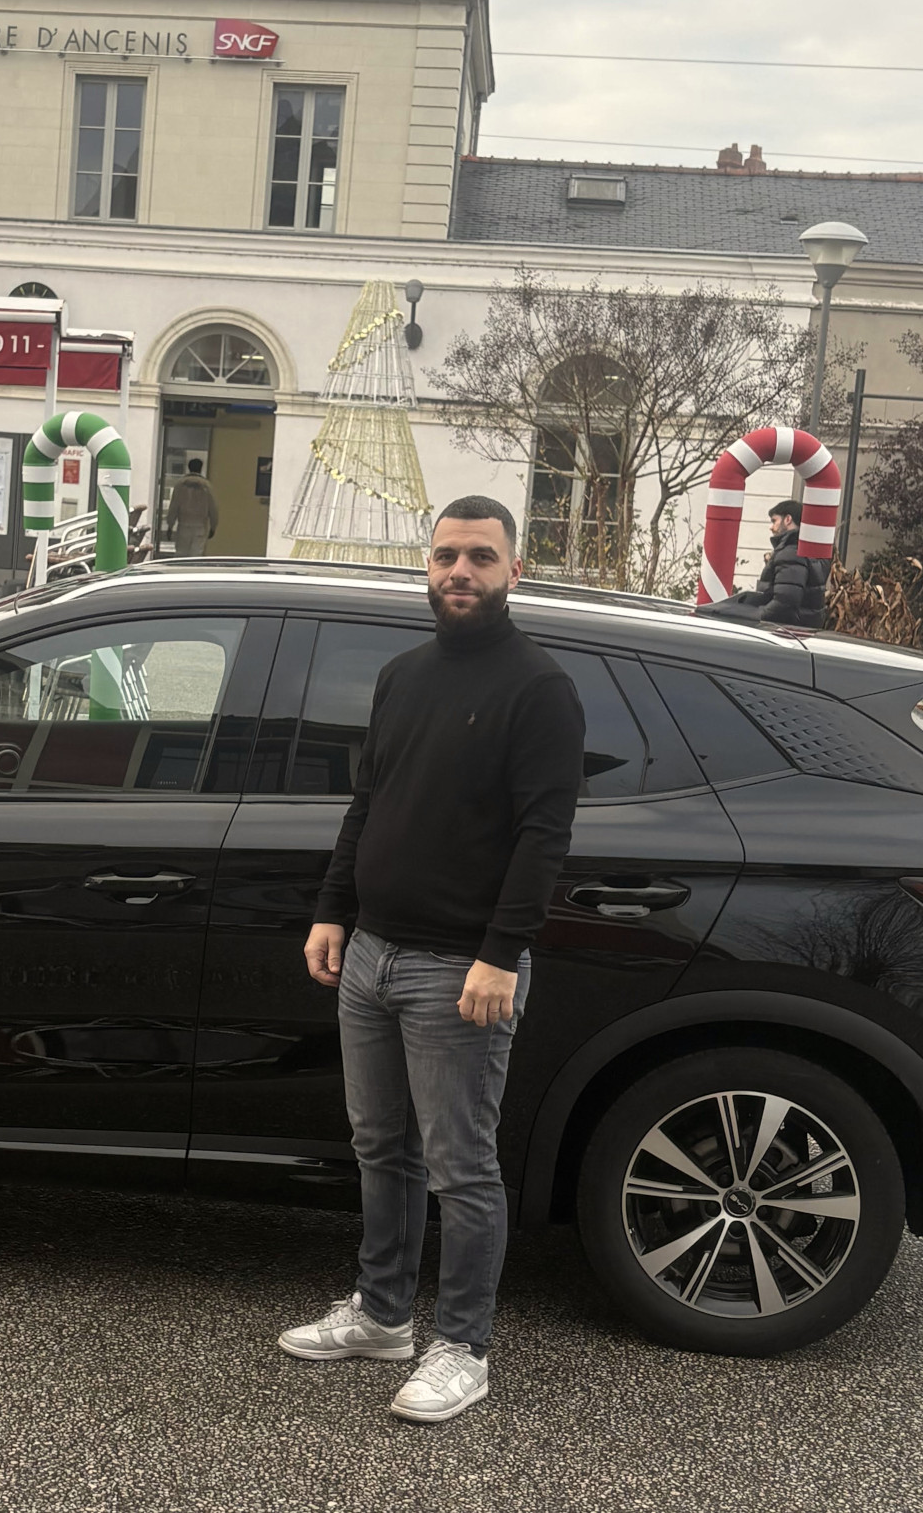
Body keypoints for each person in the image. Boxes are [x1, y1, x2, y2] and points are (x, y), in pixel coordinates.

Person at [281, 495, 584, 1425]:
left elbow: (544, 837)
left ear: (513, 572)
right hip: (371, 955)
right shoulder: (402, 676)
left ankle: (463, 1347)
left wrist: (501, 955)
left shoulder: (540, 689)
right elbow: (367, 804)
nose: (460, 571)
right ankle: (382, 1315)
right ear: (428, 564)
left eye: (481, 557)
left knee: (462, 1167)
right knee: (381, 1147)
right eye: (447, 554)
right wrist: (333, 910)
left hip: (461, 973)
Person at [699, 498, 828, 628]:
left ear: (788, 519)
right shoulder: (804, 551)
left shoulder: (790, 553)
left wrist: (756, 616)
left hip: (783, 629)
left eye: (774, 521)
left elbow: (786, 601)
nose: (771, 527)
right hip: (797, 629)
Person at [167, 457, 218, 556]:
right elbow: (213, 508)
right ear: (201, 468)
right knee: (196, 555)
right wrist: (213, 526)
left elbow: (174, 506)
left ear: (189, 468)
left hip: (183, 526)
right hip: (200, 527)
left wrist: (170, 525)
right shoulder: (206, 486)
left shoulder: (180, 484)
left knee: (181, 553)